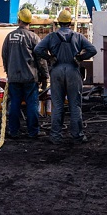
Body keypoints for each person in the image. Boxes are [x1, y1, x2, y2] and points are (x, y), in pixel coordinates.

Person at [34, 9, 97, 145]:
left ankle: (56, 136)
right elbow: (93, 50)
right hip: (73, 71)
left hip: (56, 71)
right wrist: (80, 57)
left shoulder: (51, 37)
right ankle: (77, 136)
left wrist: (49, 57)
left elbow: (38, 49)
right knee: (75, 106)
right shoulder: (78, 36)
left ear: (59, 22)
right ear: (70, 22)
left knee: (57, 105)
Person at [0, 7, 44, 139]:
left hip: (14, 77)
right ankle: (33, 132)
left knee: (14, 104)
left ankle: (13, 131)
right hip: (30, 77)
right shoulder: (34, 37)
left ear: (19, 19)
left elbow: (4, 55)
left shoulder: (9, 37)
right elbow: (40, 59)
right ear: (30, 22)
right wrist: (44, 75)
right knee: (32, 104)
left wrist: (9, 71)